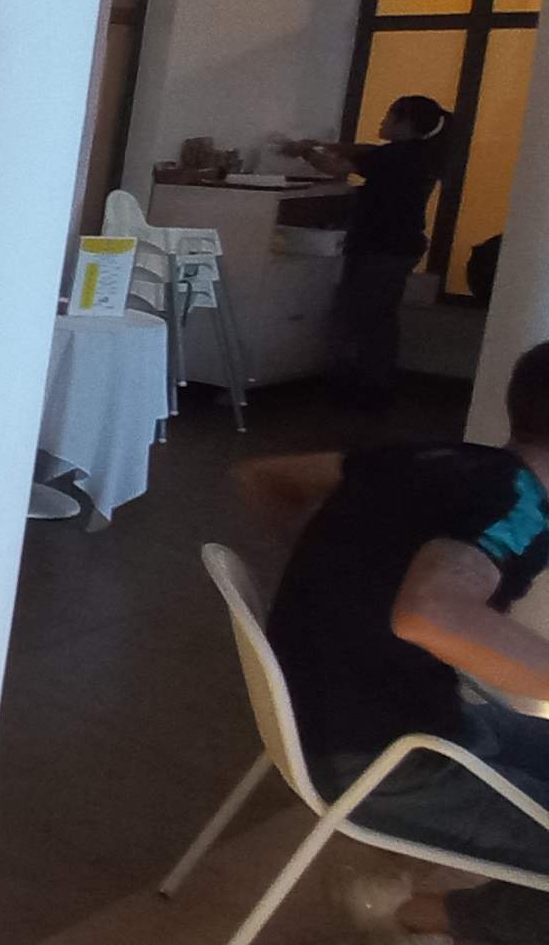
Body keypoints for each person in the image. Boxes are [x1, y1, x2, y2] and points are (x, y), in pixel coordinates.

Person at [240, 340, 549, 945]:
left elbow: (265, 477)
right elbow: (428, 614)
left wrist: (349, 578)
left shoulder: (432, 457)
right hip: (388, 763)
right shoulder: (519, 507)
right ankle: (419, 913)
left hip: (356, 723)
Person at [284, 95, 450, 406]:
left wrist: (303, 150)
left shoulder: (394, 156)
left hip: (381, 247)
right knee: (380, 315)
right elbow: (364, 151)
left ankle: (369, 386)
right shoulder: (422, 154)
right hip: (401, 246)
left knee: (369, 315)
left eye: (389, 116)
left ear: (405, 123)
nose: (383, 121)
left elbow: (335, 167)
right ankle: (372, 383)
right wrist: (324, 144)